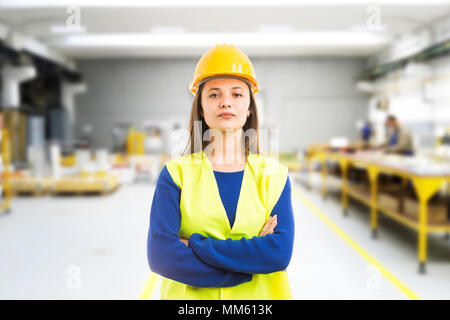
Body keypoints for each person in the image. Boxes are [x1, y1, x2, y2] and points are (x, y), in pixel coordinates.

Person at [146, 44, 295, 300]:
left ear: (250, 107)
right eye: (214, 95)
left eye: (237, 94)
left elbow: (278, 253)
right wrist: (246, 266)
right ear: (201, 108)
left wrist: (194, 244)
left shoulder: (275, 177)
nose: (226, 102)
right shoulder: (175, 175)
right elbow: (162, 256)